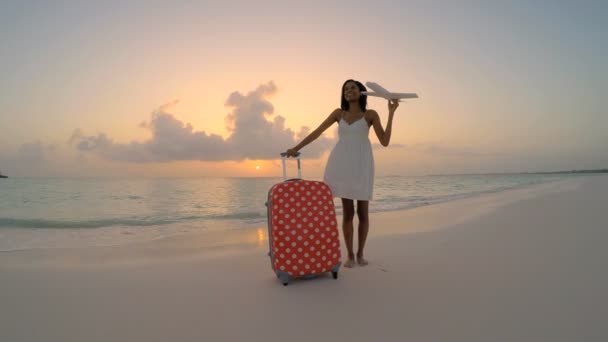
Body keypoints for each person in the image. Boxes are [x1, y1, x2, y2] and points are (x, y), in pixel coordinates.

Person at [284, 79, 400, 268]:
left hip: (362, 165)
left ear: (361, 92)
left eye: (352, 88)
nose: (349, 91)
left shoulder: (370, 114)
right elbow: (317, 132)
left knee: (362, 213)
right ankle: (350, 255)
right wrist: (296, 147)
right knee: (347, 212)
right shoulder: (339, 113)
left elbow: (385, 141)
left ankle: (361, 252)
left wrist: (391, 113)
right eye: (346, 89)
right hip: (342, 164)